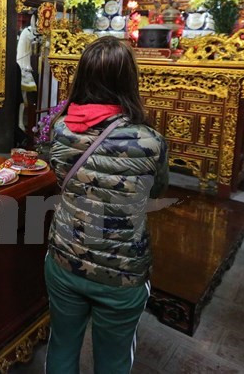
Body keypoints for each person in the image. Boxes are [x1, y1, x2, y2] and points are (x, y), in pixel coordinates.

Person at [44, 37, 168, 374]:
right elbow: (155, 193)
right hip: (122, 272)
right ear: (129, 80)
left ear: (81, 76)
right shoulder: (150, 141)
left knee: (61, 346)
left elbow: (58, 176)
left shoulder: (59, 131)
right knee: (113, 360)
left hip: (65, 258)